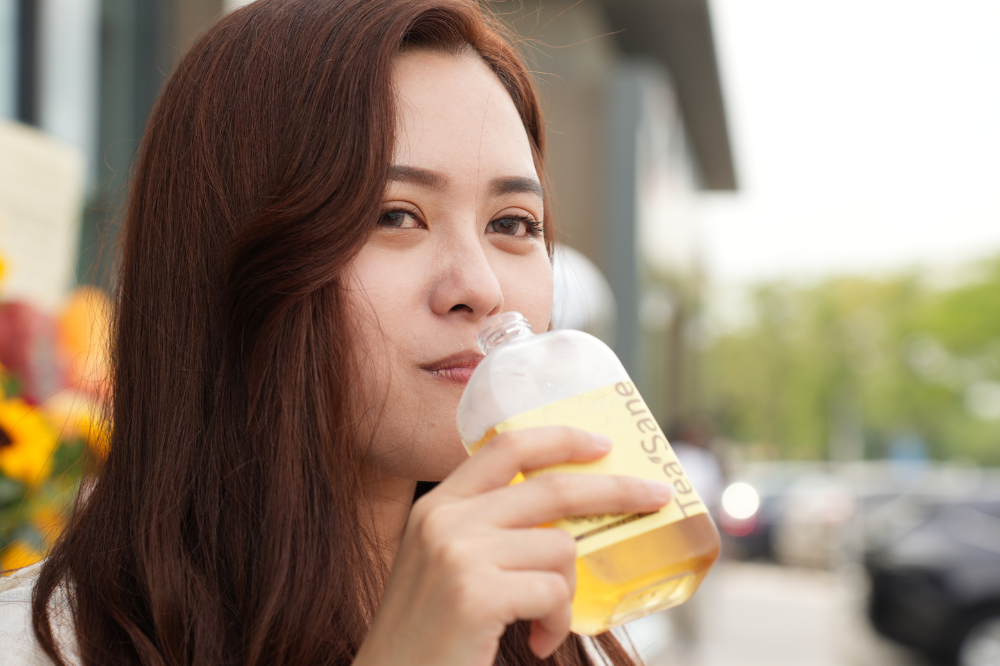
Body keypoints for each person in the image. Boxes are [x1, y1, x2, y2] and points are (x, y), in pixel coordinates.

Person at [0, 1, 677, 665]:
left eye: (513, 224)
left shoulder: (563, 625)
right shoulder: (34, 645)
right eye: (395, 215)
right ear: (227, 259)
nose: (481, 288)